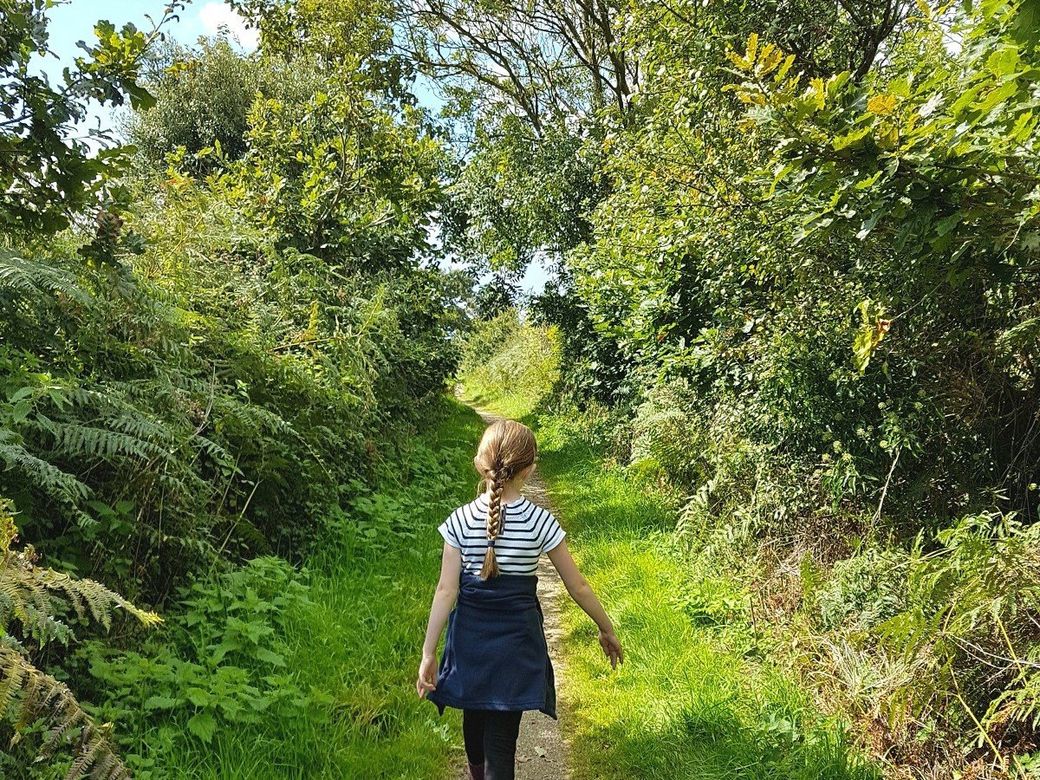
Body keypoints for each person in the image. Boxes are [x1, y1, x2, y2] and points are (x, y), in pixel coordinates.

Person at [416, 419, 623, 780]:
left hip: (470, 643)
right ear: (529, 469)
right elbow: (578, 587)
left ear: (481, 462)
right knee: (502, 742)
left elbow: (446, 591)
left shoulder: (460, 521)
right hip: (516, 645)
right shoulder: (541, 522)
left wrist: (429, 653)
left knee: (474, 716)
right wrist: (606, 629)